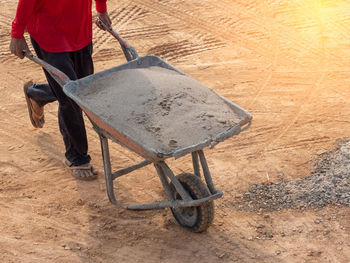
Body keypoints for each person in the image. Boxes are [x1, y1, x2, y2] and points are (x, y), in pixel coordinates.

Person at [9, 0, 112, 180]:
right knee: (70, 99)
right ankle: (76, 156)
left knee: (82, 90)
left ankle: (38, 94)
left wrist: (101, 10)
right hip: (49, 34)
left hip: (80, 30)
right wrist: (17, 34)